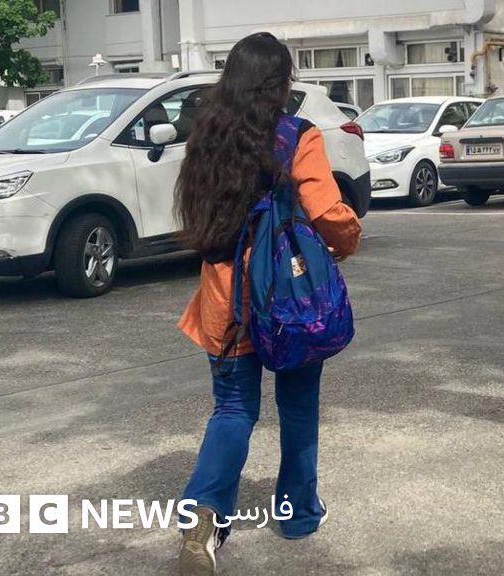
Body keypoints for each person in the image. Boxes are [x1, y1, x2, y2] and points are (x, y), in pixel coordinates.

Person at [173, 32, 361, 575]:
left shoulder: (205, 137)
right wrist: (347, 239)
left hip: (224, 297)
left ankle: (203, 515)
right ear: (281, 83)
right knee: (297, 406)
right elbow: (326, 211)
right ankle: (298, 514)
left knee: (232, 409)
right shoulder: (296, 135)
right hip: (285, 296)